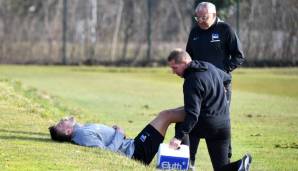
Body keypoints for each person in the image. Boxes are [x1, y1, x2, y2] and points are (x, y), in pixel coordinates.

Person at [49, 114, 251, 170]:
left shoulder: (81, 130)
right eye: (61, 123)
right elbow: (106, 153)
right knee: (166, 116)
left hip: (132, 146)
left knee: (171, 117)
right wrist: (119, 132)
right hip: (133, 152)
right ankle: (203, 110)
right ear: (67, 131)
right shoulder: (81, 136)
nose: (63, 119)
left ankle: (188, 163)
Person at [177, 1, 246, 167]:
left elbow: (239, 56)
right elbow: (189, 57)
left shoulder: (225, 30)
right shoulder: (194, 32)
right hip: (198, 86)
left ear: (214, 15)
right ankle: (188, 161)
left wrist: (220, 74)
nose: (200, 20)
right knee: (192, 116)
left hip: (219, 87)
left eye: (204, 17)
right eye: (197, 17)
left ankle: (225, 160)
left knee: (219, 122)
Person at [167, 49, 251, 171]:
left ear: (184, 62)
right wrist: (224, 93)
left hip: (208, 125)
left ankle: (187, 165)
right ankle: (239, 166)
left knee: (182, 124)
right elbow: (227, 78)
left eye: (175, 68)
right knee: (221, 168)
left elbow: (193, 114)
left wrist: (178, 138)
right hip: (224, 125)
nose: (173, 72)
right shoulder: (209, 67)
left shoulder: (191, 81)